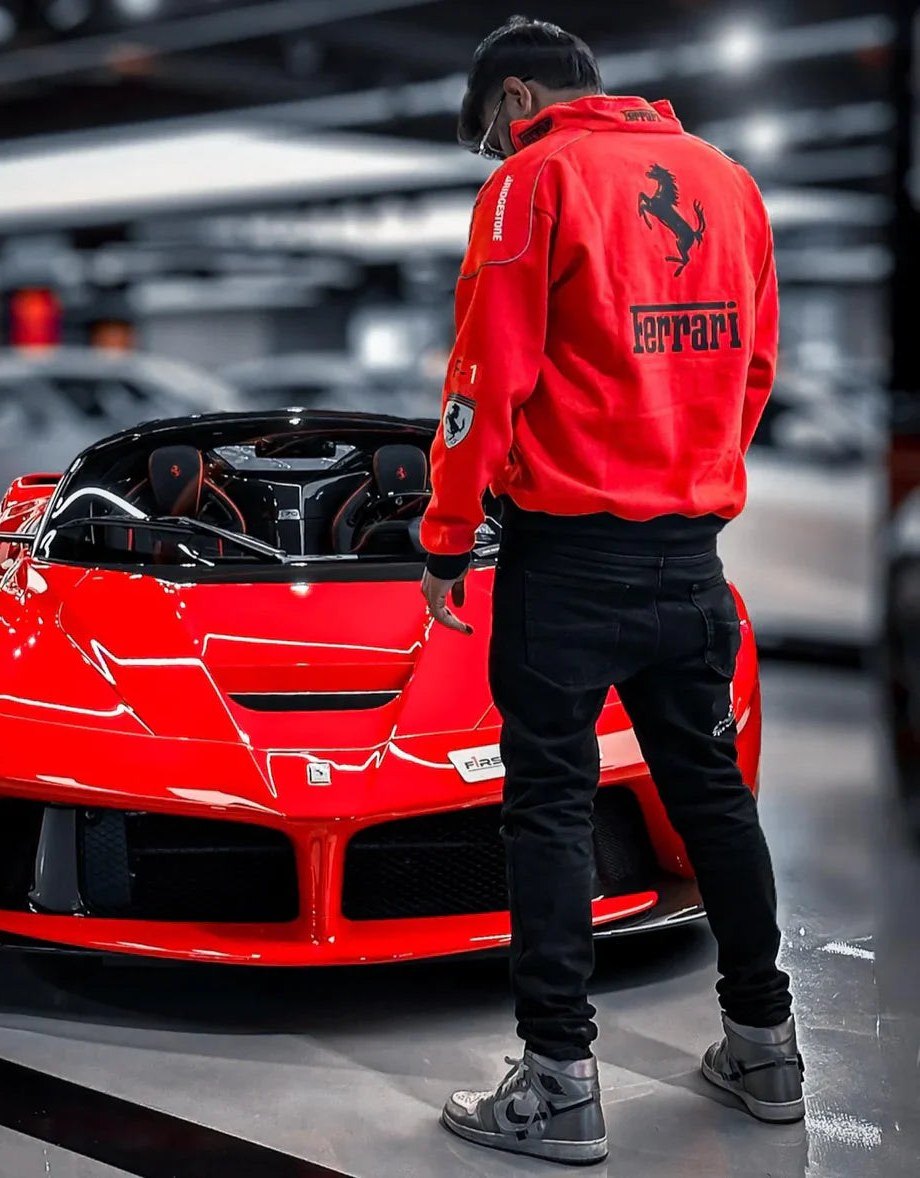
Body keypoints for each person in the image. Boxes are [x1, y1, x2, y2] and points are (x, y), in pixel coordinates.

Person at [419, 15, 803, 1167]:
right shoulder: (727, 183)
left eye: (490, 132)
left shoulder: (533, 183)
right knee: (715, 802)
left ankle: (557, 1082)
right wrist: (683, 477)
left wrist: (445, 534)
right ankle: (765, 1043)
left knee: (546, 803)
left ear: (518, 96)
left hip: (564, 561)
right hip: (689, 555)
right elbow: (753, 369)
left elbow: (487, 376)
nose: (493, 154)